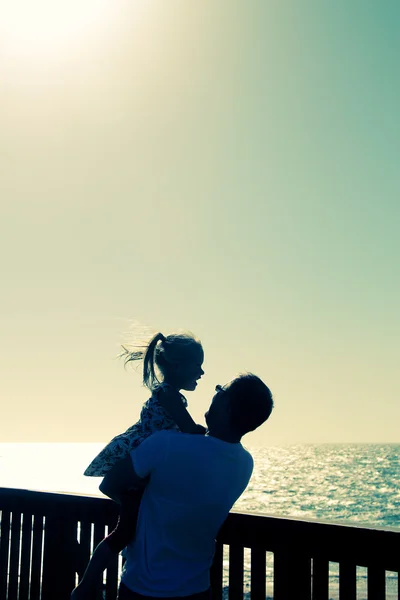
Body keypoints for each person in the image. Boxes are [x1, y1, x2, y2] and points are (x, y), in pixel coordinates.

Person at [80, 372, 273, 600]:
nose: (215, 391)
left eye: (221, 390)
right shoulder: (244, 463)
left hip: (144, 587)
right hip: (198, 589)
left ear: (228, 406)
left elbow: (109, 484)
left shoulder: (167, 443)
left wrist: (140, 508)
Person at [72, 331, 206, 599]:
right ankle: (86, 586)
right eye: (197, 366)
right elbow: (189, 429)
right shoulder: (169, 395)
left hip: (142, 471)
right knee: (124, 533)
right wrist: (210, 435)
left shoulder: (165, 394)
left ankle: (88, 584)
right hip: (139, 473)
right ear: (178, 366)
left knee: (129, 531)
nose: (201, 372)